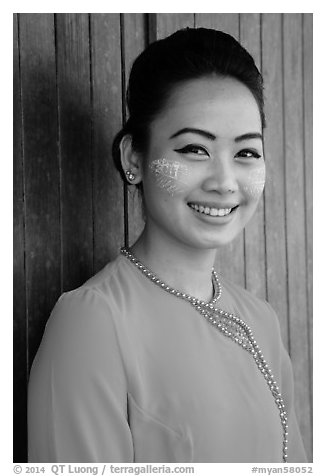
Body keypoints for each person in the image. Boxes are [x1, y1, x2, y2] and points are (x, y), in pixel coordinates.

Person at [28, 27, 307, 463]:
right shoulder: (93, 322)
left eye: (246, 153)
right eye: (195, 149)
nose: (224, 183)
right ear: (133, 159)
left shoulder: (260, 321)